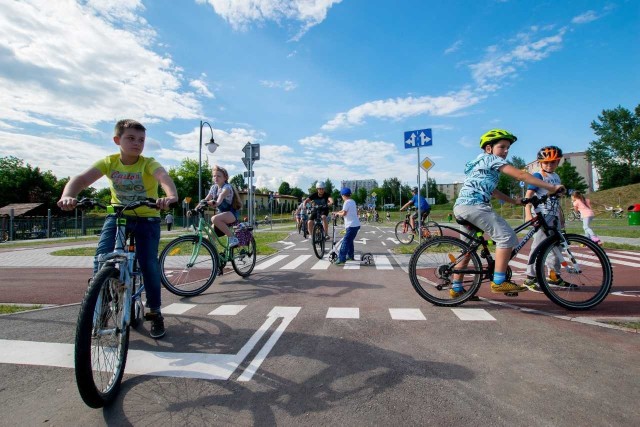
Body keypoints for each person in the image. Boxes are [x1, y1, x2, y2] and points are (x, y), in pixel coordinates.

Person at [57, 119, 178, 339]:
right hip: (118, 215)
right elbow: (81, 179)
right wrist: (68, 195)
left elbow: (163, 178)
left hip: (147, 218)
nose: (137, 143)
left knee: (148, 262)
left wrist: (170, 196)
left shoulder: (147, 163)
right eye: (130, 138)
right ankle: (100, 303)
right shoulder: (109, 162)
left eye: (141, 140)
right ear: (117, 140)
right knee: (101, 258)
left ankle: (155, 312)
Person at [451, 129, 564, 298]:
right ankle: (498, 281)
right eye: (502, 147)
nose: (505, 151)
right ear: (489, 148)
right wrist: (551, 187)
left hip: (462, 207)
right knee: (507, 237)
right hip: (475, 206)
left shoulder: (478, 163)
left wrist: (515, 201)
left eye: (507, 148)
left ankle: (456, 288)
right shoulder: (492, 159)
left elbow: (493, 191)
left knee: (467, 251)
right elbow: (520, 175)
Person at [522, 146, 575, 290]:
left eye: (553, 162)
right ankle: (530, 277)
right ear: (540, 163)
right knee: (538, 247)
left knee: (556, 246)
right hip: (541, 216)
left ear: (558, 162)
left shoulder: (556, 177)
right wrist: (528, 214)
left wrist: (561, 216)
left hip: (554, 216)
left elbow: (556, 200)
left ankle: (554, 276)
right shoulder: (539, 176)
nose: (549, 165)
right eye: (546, 162)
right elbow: (528, 197)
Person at [201, 165, 243, 247]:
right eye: (214, 176)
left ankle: (233, 238)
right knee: (209, 237)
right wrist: (195, 209)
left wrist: (214, 203)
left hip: (231, 214)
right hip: (222, 216)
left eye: (218, 176)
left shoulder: (227, 188)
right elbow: (204, 200)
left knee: (214, 218)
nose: (216, 178)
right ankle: (217, 258)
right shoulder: (213, 188)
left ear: (225, 178)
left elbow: (220, 198)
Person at [333, 188, 361, 265]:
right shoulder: (352, 201)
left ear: (343, 195)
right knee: (350, 241)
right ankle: (350, 256)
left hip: (351, 225)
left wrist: (338, 214)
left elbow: (344, 213)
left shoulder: (346, 202)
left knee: (345, 242)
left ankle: (342, 258)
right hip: (355, 225)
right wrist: (337, 212)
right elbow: (344, 210)